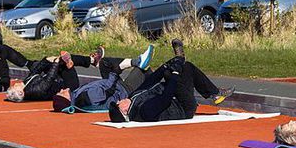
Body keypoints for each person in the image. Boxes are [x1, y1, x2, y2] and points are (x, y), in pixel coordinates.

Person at [93, 40, 234, 121]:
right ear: (124, 111)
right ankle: (213, 92)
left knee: (168, 71)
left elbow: (148, 83)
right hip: (183, 107)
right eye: (118, 104)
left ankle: (212, 92)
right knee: (186, 68)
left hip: (173, 96)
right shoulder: (143, 111)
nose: (118, 100)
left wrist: (165, 66)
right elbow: (165, 98)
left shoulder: (132, 99)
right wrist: (176, 72)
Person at [6, 45, 154, 103]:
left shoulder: (27, 82)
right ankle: (142, 67)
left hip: (114, 85)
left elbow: (37, 69)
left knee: (104, 63)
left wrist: (47, 60)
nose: (15, 83)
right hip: (69, 82)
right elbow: (48, 80)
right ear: (19, 92)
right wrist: (57, 63)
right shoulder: (33, 90)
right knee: (144, 71)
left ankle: (135, 61)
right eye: (14, 87)